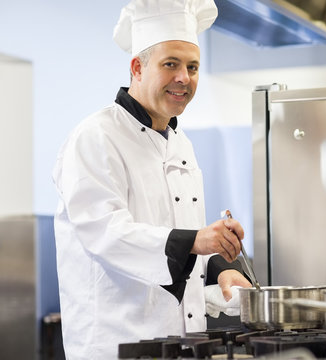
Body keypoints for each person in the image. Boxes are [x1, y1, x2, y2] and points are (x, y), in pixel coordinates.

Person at [52, 0, 252, 358]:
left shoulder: (181, 144)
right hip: (116, 343)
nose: (184, 78)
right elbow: (106, 233)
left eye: (192, 67)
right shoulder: (96, 136)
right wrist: (197, 240)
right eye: (170, 64)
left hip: (183, 341)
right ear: (137, 68)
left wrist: (221, 268)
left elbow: (181, 237)